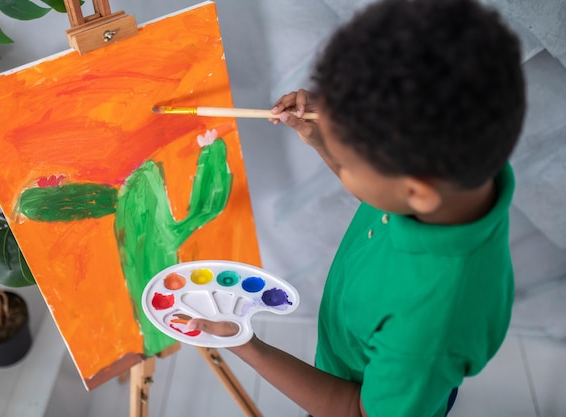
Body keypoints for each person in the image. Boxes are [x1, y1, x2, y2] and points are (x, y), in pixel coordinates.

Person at [188, 0, 526, 415]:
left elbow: (357, 410)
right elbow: (384, 194)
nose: (335, 156)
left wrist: (245, 344)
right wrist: (326, 135)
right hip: (384, 365)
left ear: (416, 191)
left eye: (345, 162)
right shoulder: (464, 160)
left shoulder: (429, 328)